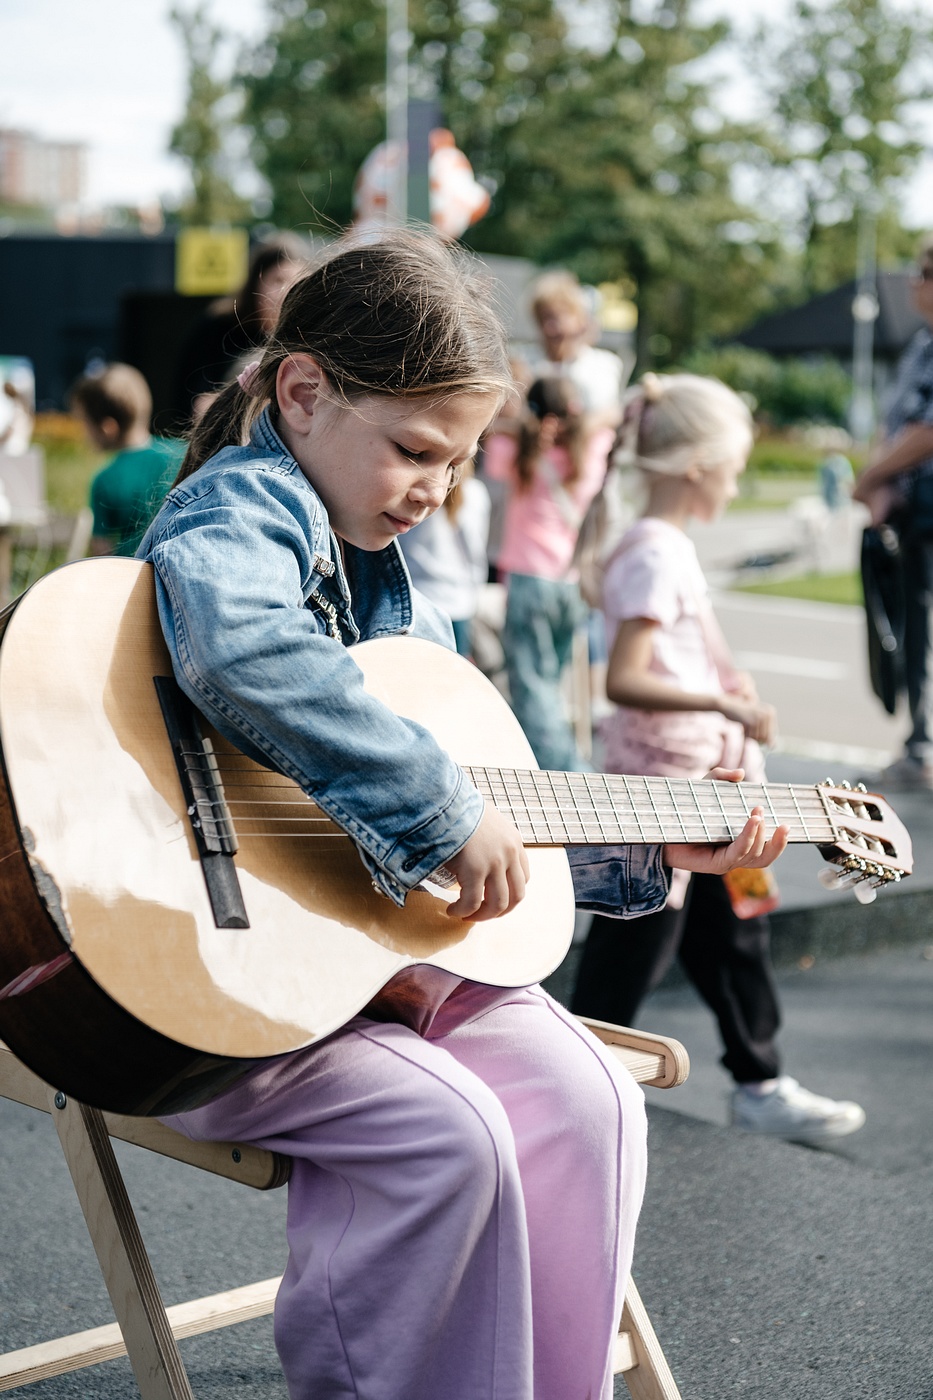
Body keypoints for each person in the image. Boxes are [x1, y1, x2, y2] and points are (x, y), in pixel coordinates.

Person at [134, 231, 786, 1400]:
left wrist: (646, 844)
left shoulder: (392, 581)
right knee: (453, 1137)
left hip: (369, 964)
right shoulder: (243, 506)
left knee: (593, 1103)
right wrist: (433, 806)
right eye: (415, 449)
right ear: (303, 390)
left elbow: (483, 814)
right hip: (216, 973)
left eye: (461, 458)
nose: (438, 489)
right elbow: (243, 646)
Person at [572, 372, 866, 1148]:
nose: (737, 483)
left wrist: (730, 688)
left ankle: (757, 1080)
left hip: (708, 787)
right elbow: (624, 678)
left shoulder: (662, 548)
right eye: (734, 467)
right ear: (700, 466)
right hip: (671, 790)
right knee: (635, 939)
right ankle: (569, 1082)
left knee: (731, 927)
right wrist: (724, 704)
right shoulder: (656, 552)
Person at [484, 376, 615, 770]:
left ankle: (570, 775)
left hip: (527, 580)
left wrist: (522, 421)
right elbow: (610, 420)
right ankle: (552, 765)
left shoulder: (517, 451)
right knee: (549, 688)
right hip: (568, 583)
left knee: (533, 692)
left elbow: (490, 432)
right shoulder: (589, 451)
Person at [852, 234, 933, 790]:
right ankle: (919, 746)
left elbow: (927, 429)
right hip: (914, 512)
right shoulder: (922, 344)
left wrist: (873, 476)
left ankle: (921, 749)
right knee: (916, 631)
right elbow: (899, 424)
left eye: (924, 272)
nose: (913, 282)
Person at [173, 232, 310, 424]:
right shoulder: (217, 329)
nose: (286, 292)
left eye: (296, 283)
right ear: (256, 283)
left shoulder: (307, 339)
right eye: (278, 280)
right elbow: (199, 405)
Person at [70, 363, 185, 557]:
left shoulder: (105, 479)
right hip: (178, 565)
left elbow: (102, 553)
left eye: (85, 423)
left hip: (133, 577)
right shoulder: (184, 453)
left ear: (108, 428)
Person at [397, 464, 490, 657]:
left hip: (419, 595)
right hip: (459, 599)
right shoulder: (476, 493)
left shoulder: (420, 491)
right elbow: (476, 550)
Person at [529, 269, 630, 425]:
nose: (549, 328)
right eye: (543, 318)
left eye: (556, 318)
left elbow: (608, 416)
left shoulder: (603, 366)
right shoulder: (525, 365)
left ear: (580, 319)